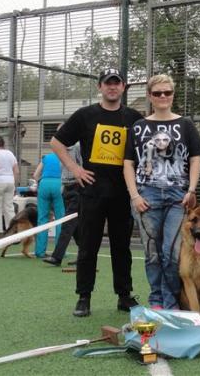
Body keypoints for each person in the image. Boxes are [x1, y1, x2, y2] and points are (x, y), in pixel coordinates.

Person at [51, 68, 143, 317]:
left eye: (116, 83)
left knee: (122, 247)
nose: (112, 87)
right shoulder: (85, 115)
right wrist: (75, 169)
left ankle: (124, 295)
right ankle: (84, 297)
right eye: (107, 83)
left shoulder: (134, 117)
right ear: (100, 87)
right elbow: (56, 142)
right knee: (88, 246)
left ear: (123, 87)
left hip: (122, 193)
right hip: (92, 192)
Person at [123, 74, 200, 310]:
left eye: (167, 92)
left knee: (172, 252)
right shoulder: (139, 127)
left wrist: (191, 189)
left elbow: (196, 159)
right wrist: (134, 196)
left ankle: (171, 302)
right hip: (146, 194)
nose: (163, 96)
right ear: (150, 96)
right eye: (157, 93)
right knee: (152, 253)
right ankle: (156, 300)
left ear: (173, 95)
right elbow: (128, 164)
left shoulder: (186, 125)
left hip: (178, 195)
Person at [43, 142, 81, 267]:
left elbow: (83, 166)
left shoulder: (77, 147)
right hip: (67, 188)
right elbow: (63, 170)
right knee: (75, 227)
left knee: (68, 224)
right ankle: (84, 255)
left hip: (77, 187)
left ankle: (57, 257)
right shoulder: (61, 150)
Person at [33, 152, 64, 258]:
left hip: (44, 184)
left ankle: (40, 251)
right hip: (59, 184)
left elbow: (35, 175)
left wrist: (41, 181)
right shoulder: (64, 156)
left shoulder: (46, 157)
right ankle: (59, 251)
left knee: (42, 218)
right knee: (60, 219)